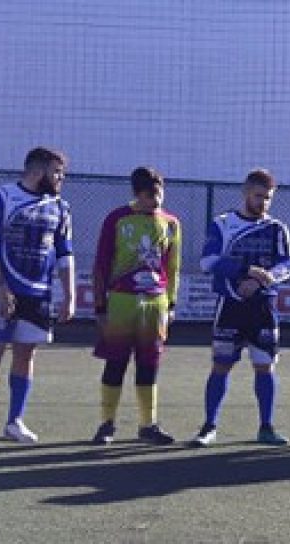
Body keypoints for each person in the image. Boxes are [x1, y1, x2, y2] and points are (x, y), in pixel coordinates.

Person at [0, 147, 76, 448]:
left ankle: (14, 422)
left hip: (39, 295)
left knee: (25, 355)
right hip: (1, 291)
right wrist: (0, 286)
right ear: (38, 170)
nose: (61, 178)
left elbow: (64, 253)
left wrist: (70, 295)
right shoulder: (2, 197)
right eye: (57, 172)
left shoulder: (60, 207)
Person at [190, 169, 290, 447]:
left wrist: (265, 279)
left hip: (263, 308)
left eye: (268, 198)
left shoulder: (277, 228)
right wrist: (245, 272)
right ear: (246, 193)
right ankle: (209, 426)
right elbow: (207, 261)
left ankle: (266, 427)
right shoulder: (223, 224)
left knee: (265, 367)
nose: (263, 203)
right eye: (259, 196)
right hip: (230, 306)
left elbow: (288, 265)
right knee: (221, 365)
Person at [90, 166, 184, 445]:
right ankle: (106, 424)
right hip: (122, 301)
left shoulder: (171, 223)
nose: (156, 200)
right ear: (137, 193)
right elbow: (102, 263)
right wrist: (100, 307)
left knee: (149, 364)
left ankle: (148, 425)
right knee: (115, 363)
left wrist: (171, 304)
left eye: (159, 193)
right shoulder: (117, 219)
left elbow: (173, 267)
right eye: (149, 195)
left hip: (155, 304)